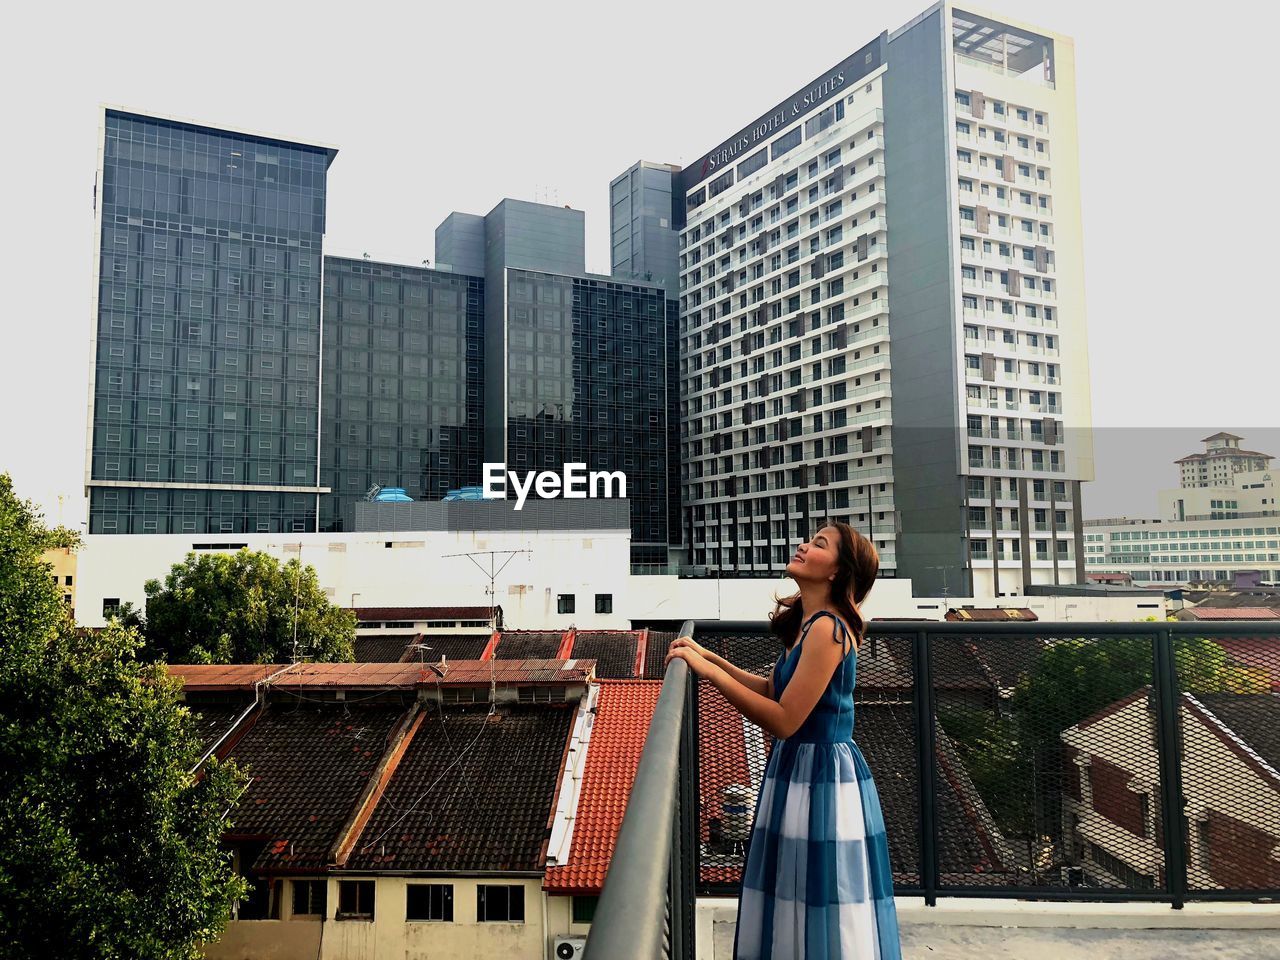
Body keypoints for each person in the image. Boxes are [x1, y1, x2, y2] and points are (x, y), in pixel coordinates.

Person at [667, 520, 901, 960]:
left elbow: (784, 720)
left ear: (837, 571)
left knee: (818, 888)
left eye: (818, 544)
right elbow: (774, 691)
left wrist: (710, 674)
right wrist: (709, 656)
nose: (803, 546)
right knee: (797, 887)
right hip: (800, 770)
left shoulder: (829, 630)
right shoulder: (808, 623)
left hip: (821, 776)